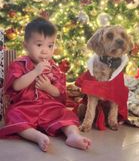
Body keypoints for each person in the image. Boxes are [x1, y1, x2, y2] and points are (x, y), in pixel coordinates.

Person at [0, 17, 91, 152]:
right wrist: (36, 72)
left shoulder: (53, 67)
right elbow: (16, 86)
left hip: (49, 107)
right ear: (26, 45)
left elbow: (59, 93)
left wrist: (48, 87)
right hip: (25, 106)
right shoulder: (19, 64)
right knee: (14, 115)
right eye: (39, 45)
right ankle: (36, 136)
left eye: (50, 45)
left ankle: (73, 135)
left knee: (65, 114)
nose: (45, 51)